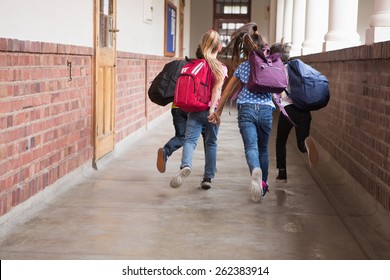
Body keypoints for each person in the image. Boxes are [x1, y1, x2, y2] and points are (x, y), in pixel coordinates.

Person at [209, 23, 273, 202]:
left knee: (251, 147)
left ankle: (255, 170)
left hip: (246, 109)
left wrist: (218, 112)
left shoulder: (243, 67)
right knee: (263, 149)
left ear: (245, 50)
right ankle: (263, 184)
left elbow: (227, 91)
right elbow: (280, 90)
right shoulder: (271, 65)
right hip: (267, 110)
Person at [170, 30, 227, 190]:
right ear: (220, 48)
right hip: (212, 111)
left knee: (189, 140)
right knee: (211, 143)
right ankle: (208, 177)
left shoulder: (194, 65)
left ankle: (185, 165)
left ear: (202, 46)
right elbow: (216, 90)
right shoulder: (220, 68)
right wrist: (211, 110)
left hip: (194, 109)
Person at [270, 42, 319, 183]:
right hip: (304, 110)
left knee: (281, 140)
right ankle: (306, 147)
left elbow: (277, 94)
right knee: (301, 142)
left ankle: (282, 172)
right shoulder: (299, 68)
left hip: (288, 111)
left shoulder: (278, 71)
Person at [156, 47, 205, 174]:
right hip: (192, 108)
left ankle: (166, 151)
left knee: (181, 136)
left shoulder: (184, 66)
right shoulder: (202, 68)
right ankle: (207, 171)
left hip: (177, 106)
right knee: (206, 136)